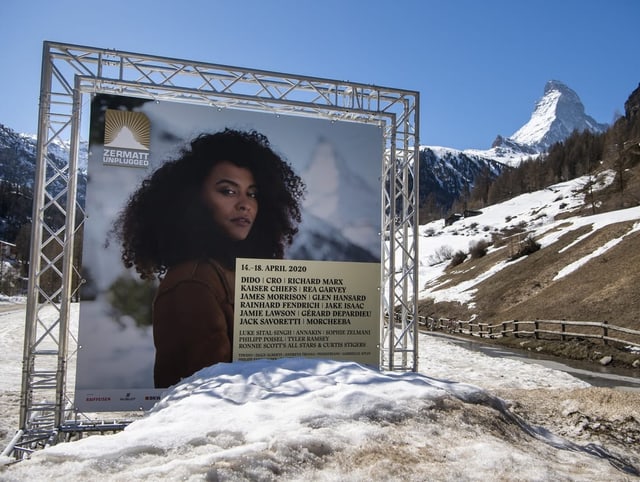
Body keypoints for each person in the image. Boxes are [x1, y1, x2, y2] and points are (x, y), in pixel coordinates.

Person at [113, 129, 305, 388]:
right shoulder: (195, 281)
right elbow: (213, 390)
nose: (245, 204)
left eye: (253, 193)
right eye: (227, 191)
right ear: (193, 200)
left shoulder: (231, 272)